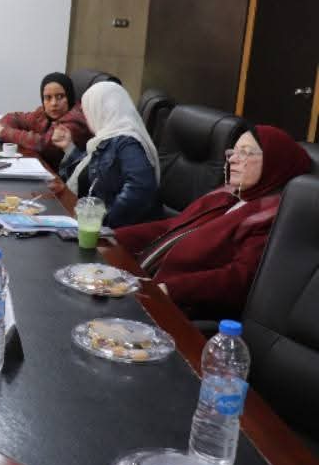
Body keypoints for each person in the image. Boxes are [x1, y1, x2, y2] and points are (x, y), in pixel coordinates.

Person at [115, 126, 311, 320]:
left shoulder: (271, 218)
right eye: (233, 152)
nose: (232, 159)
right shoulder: (228, 194)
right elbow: (173, 227)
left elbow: (239, 278)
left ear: (274, 163)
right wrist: (113, 236)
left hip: (181, 309)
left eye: (245, 153)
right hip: (146, 285)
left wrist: (171, 289)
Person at [52, 81, 160, 227]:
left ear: (101, 110)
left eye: (88, 111)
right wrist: (69, 147)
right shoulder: (107, 138)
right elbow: (93, 169)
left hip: (113, 231)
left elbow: (140, 188)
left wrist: (102, 221)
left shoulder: (127, 143)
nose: (87, 118)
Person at [0, 72, 92, 167]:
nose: (53, 103)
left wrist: (3, 132)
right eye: (48, 98)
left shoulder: (74, 120)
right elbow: (15, 118)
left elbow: (45, 144)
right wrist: (2, 129)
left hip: (63, 182)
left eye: (60, 97)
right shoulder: (44, 112)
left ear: (69, 96)